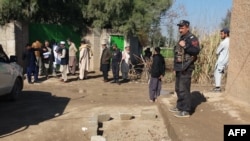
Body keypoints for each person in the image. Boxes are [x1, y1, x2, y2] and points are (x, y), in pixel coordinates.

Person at [169, 20, 200, 118]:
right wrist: (175, 67)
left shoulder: (192, 38)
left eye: (182, 27)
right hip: (179, 67)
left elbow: (196, 51)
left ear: (187, 28)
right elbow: (177, 54)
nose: (180, 29)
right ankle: (179, 106)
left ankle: (186, 110)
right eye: (179, 27)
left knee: (184, 89)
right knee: (178, 89)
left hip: (186, 67)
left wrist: (185, 46)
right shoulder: (182, 38)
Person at [213, 28, 230, 92]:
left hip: (221, 60)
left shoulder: (223, 42)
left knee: (217, 73)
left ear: (226, 34)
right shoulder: (231, 41)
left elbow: (217, 52)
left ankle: (217, 88)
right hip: (227, 61)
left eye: (222, 34)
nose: (221, 35)